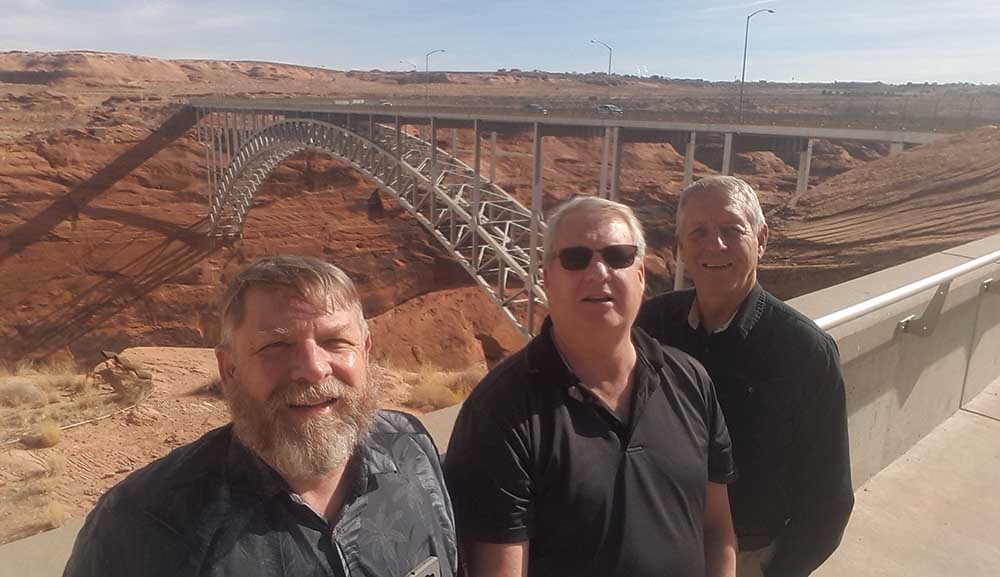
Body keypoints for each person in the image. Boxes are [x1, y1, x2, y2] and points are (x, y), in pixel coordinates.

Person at [64, 255, 458, 577]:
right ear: (229, 368)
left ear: (366, 351)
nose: (312, 368)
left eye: (335, 341)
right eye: (277, 346)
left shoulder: (410, 450)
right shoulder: (143, 525)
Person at [445, 196, 738, 577]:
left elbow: (716, 527)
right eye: (575, 258)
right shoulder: (501, 413)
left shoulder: (690, 380)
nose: (598, 271)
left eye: (618, 256)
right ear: (547, 277)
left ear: (641, 276)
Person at [636, 176, 854, 577]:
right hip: (653, 546)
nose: (714, 244)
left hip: (749, 558)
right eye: (698, 232)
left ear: (761, 239)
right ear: (681, 247)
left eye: (731, 230)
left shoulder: (804, 351)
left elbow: (830, 500)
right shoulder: (652, 325)